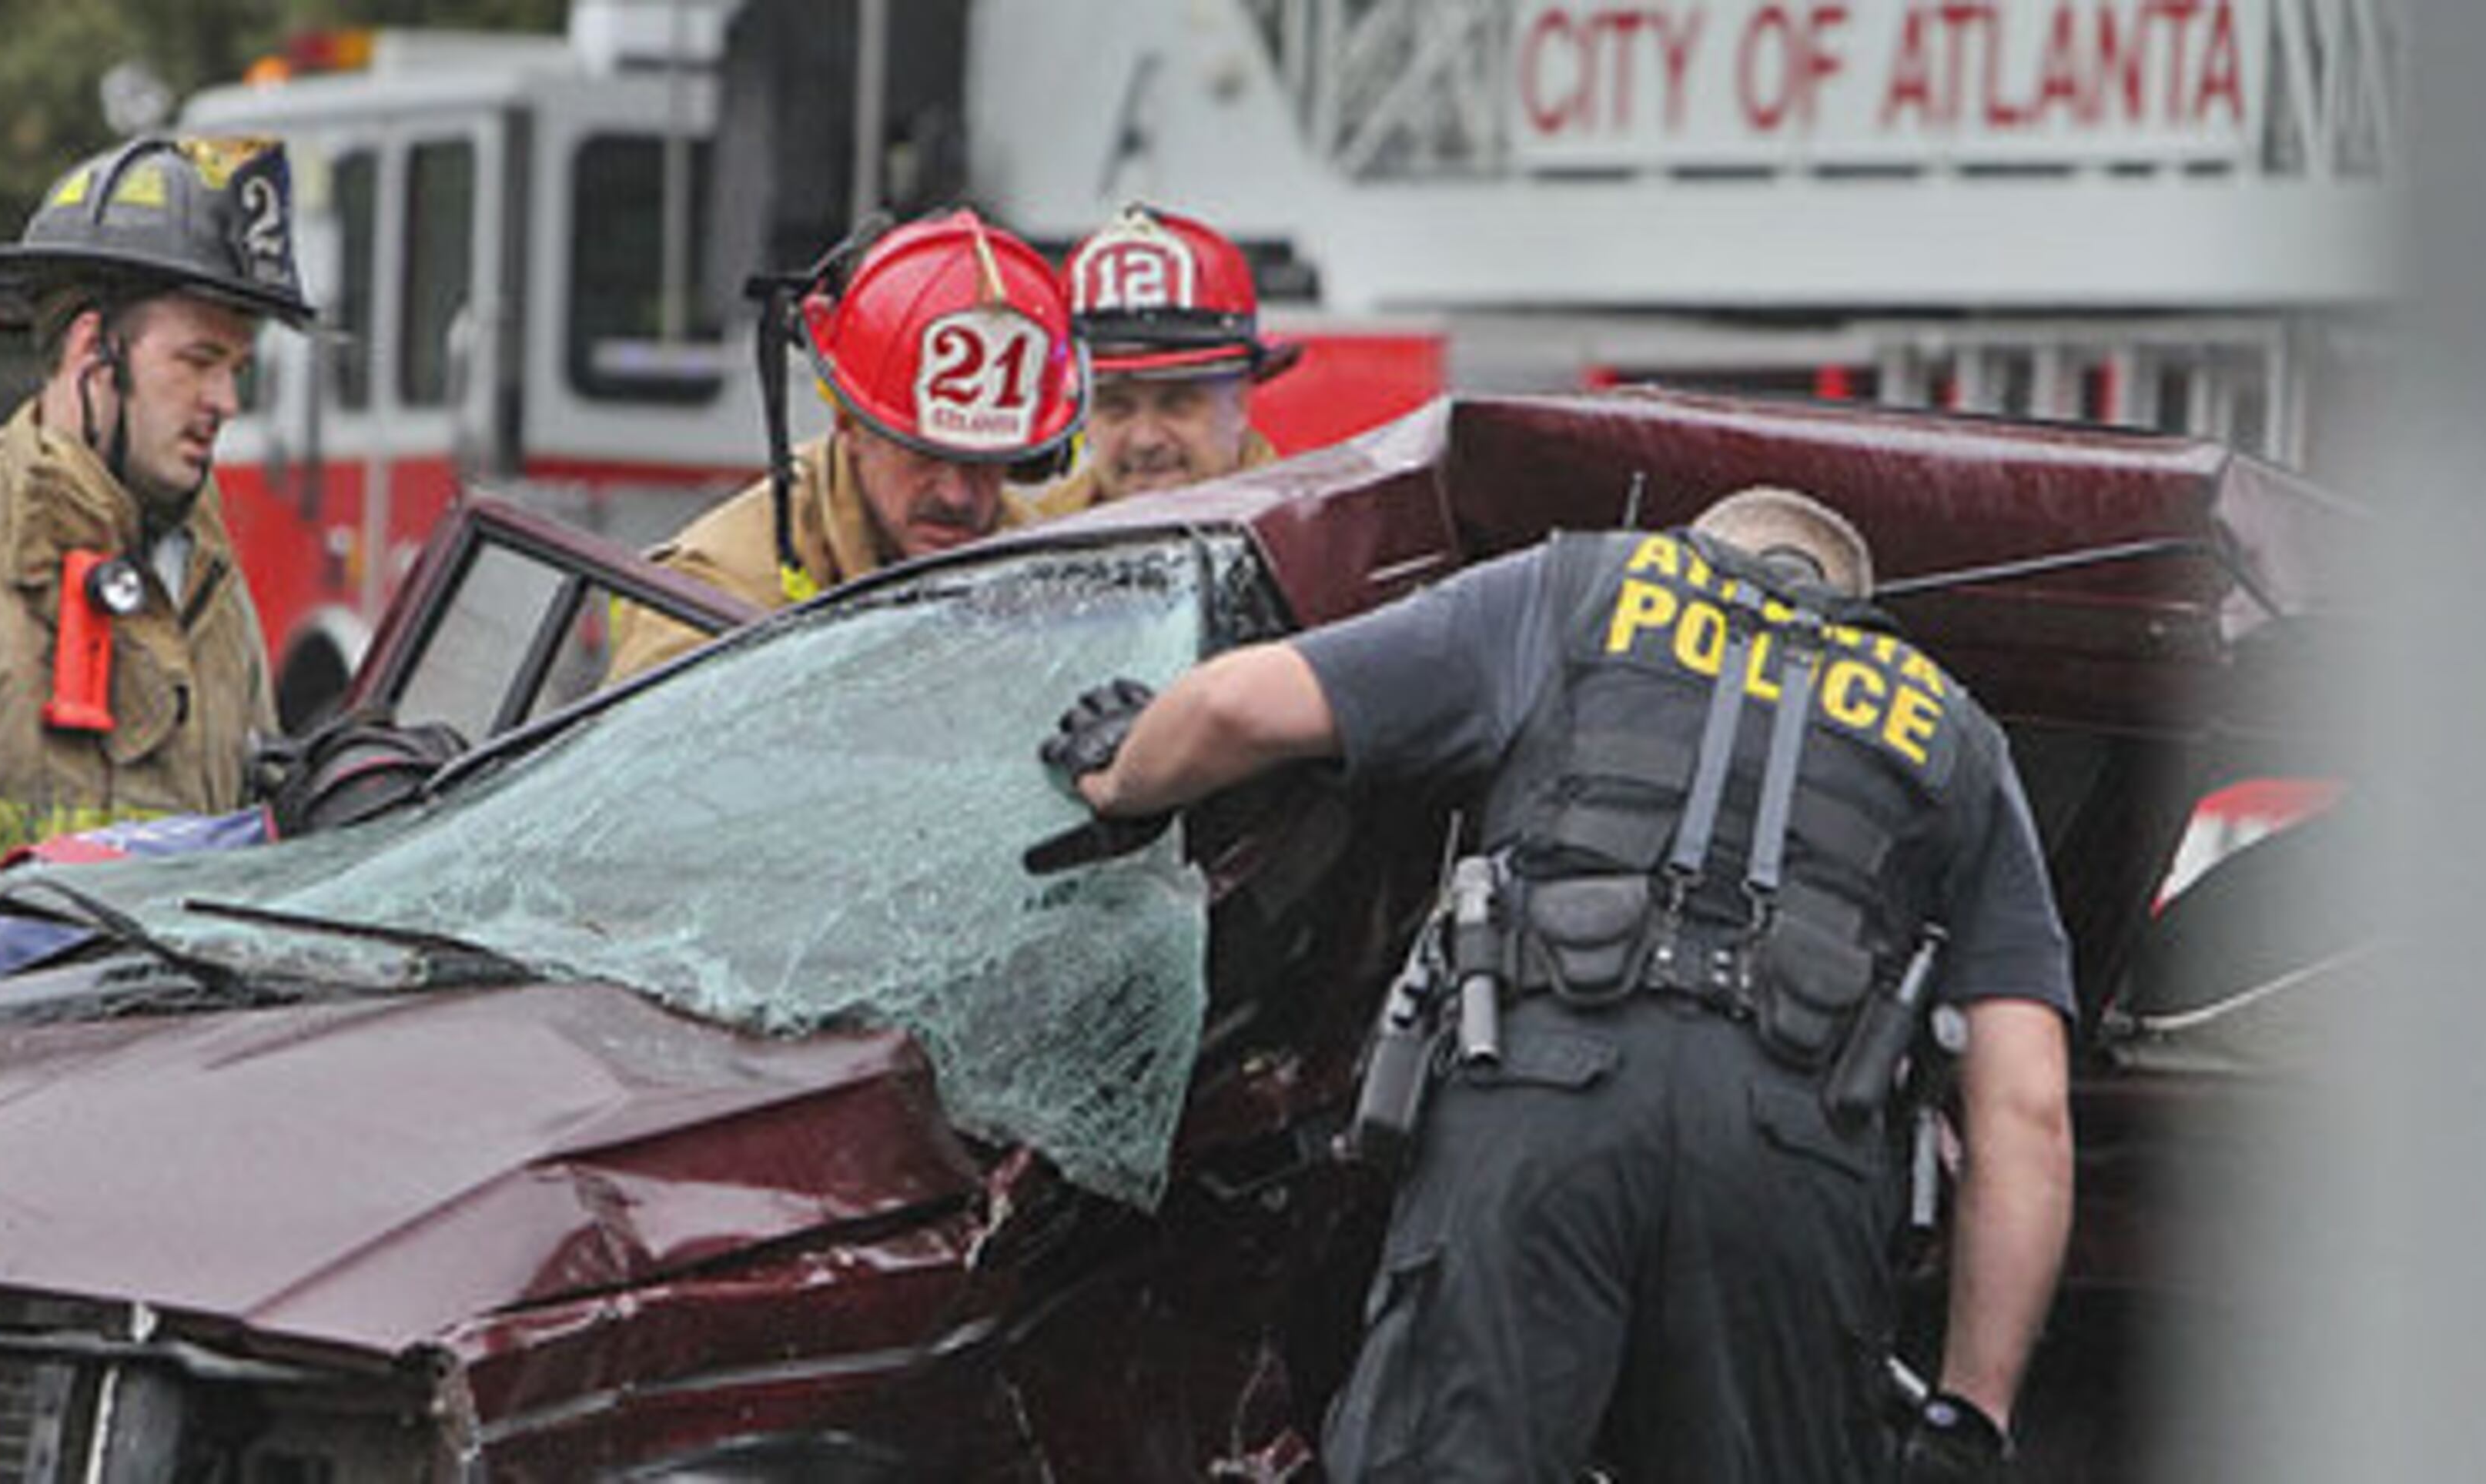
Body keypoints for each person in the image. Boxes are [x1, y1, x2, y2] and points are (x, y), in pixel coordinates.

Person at [1040, 486, 2074, 1481]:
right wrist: (1967, 1414)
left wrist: (1124, 774)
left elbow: (1234, 704)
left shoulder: (1574, 591)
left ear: (1692, 548)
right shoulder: (1956, 737)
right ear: (1856, 605)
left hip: (1538, 1115)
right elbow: (2026, 1110)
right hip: (1791, 1169)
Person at [0, 135, 312, 871]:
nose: (226, 402)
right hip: (4, 993)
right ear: (92, 350)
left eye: (237, 369)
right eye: (198, 361)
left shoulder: (208, 574)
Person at [606, 209, 1086, 678]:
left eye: (984, 461)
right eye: (924, 455)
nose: (956, 494)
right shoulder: (716, 589)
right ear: (849, 425)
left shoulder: (1049, 579)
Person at [1022, 203, 1300, 519]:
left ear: (1240, 403)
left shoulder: (1306, 548)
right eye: (1116, 407)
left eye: (1177, 404)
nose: (1145, 440)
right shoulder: (1029, 537)